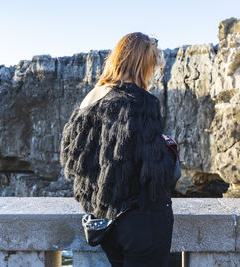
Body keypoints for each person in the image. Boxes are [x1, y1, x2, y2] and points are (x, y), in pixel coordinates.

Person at [60, 32, 179, 267]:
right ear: (141, 63)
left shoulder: (91, 98)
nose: (152, 71)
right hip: (143, 222)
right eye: (151, 64)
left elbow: (73, 160)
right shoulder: (141, 101)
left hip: (106, 223)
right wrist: (169, 148)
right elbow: (155, 174)